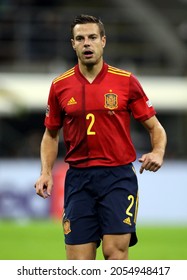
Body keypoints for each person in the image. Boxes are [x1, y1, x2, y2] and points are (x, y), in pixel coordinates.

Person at [35, 14, 167, 260]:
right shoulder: (59, 86)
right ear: (73, 44)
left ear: (103, 41)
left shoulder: (126, 82)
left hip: (117, 177)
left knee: (114, 253)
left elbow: (155, 128)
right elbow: (50, 135)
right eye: (80, 38)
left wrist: (158, 152)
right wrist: (45, 172)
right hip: (78, 179)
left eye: (92, 37)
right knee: (79, 262)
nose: (87, 43)